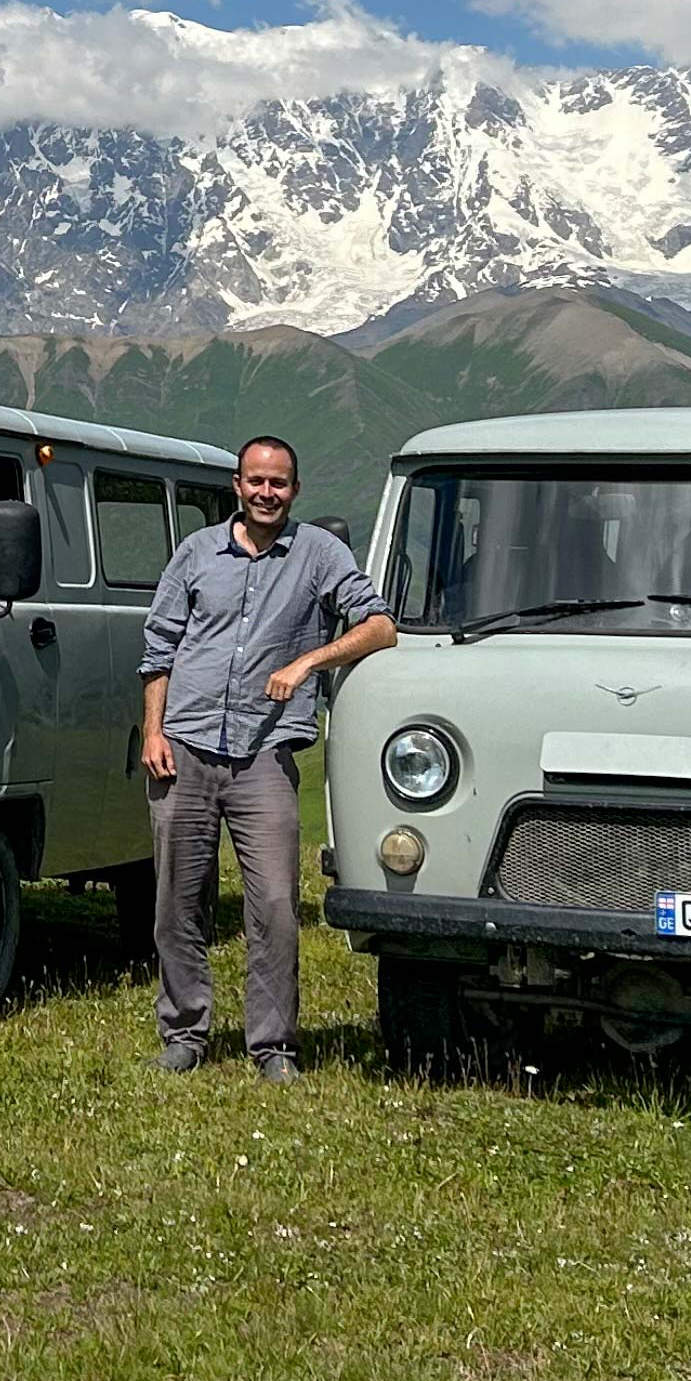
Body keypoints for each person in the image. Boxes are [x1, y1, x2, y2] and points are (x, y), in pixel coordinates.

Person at [137, 435, 399, 1079]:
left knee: (277, 907)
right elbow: (159, 649)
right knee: (177, 902)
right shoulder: (196, 553)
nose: (266, 492)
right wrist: (153, 731)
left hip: (265, 755)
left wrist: (309, 660)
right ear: (236, 484)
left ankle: (274, 1044)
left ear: (295, 489)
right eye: (256, 480)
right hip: (185, 748)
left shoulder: (318, 554)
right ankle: (185, 1032)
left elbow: (380, 626)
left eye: (278, 482)